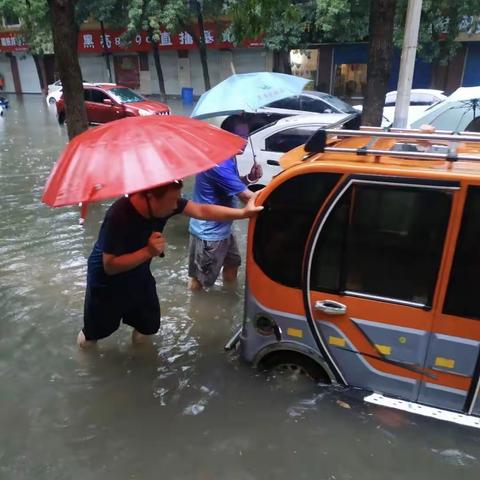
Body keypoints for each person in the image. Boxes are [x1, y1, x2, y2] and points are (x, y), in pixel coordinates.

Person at [77, 180, 262, 348]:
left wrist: (244, 213)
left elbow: (201, 211)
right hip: (107, 281)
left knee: (147, 326)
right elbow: (110, 265)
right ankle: (85, 366)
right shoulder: (119, 215)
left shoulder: (163, 203)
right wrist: (148, 252)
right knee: (94, 333)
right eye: (172, 200)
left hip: (139, 273)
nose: (176, 206)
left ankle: (140, 362)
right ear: (150, 198)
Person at [188, 116, 263, 291]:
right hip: (209, 234)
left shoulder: (227, 156)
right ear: (225, 136)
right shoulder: (219, 163)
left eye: (247, 135)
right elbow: (246, 198)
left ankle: (227, 298)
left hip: (223, 228)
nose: (245, 141)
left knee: (232, 265)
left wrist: (250, 178)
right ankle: (198, 312)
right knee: (200, 282)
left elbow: (231, 187)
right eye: (240, 136)